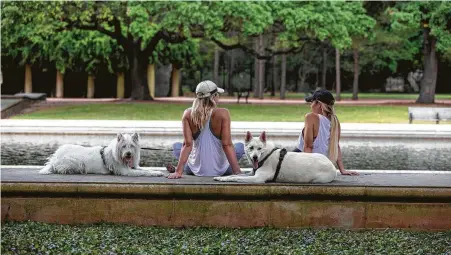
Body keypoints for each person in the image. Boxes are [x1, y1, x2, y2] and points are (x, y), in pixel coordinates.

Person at [167, 80, 244, 179]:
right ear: (214, 96)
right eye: (218, 95)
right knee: (240, 147)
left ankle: (178, 168)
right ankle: (179, 167)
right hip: (222, 170)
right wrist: (237, 172)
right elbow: (227, 144)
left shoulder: (187, 114)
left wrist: (178, 172)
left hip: (194, 170)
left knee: (177, 146)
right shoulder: (223, 113)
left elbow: (187, 145)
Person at [295, 89, 358, 176]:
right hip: (325, 166)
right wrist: (342, 170)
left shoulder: (311, 117)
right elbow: (336, 146)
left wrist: (307, 172)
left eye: (312, 102)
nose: (310, 105)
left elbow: (308, 146)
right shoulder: (335, 121)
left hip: (307, 162)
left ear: (319, 104)